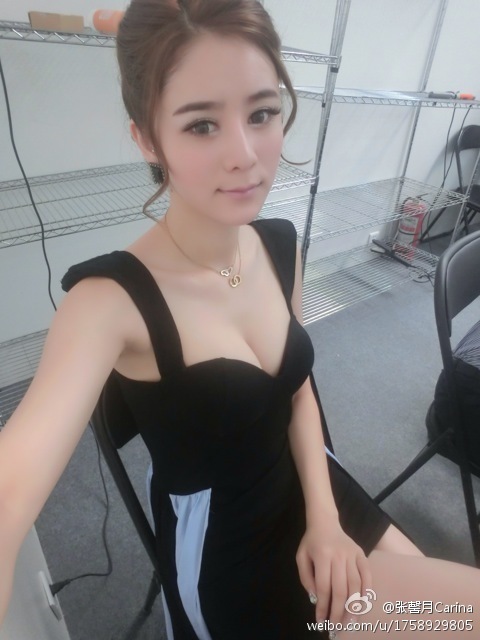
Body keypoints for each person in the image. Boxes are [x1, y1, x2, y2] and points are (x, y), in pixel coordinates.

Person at [0, 1, 479, 638]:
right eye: (202, 125)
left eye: (261, 113)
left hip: (313, 488)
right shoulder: (110, 301)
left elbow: (297, 389)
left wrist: (324, 518)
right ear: (146, 138)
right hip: (232, 559)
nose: (246, 155)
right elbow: (12, 484)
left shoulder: (279, 246)